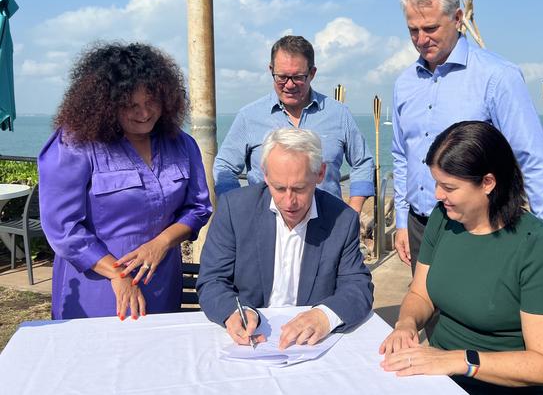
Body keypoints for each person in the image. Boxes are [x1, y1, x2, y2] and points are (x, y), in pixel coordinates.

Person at [380, 121, 543, 394]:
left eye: (449, 187)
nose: (437, 195)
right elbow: (420, 295)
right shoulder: (443, 219)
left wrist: (458, 360)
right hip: (437, 378)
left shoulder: (538, 247)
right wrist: (406, 324)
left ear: (488, 183)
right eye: (436, 183)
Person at [392, 0, 543, 273]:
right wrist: (402, 221)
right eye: (413, 30)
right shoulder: (404, 83)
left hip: (477, 228)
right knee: (425, 312)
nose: (421, 40)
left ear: (458, 17)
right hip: (420, 226)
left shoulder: (498, 76)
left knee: (479, 316)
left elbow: (530, 156)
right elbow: (401, 156)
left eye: (430, 28)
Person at [38, 42, 212, 320]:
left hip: (161, 281)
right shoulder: (75, 145)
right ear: (105, 105)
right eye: (130, 105)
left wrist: (162, 243)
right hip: (97, 284)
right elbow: (63, 227)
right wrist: (117, 274)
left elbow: (198, 208)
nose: (144, 113)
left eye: (151, 102)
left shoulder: (182, 144)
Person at [198, 128, 373, 349]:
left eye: (300, 188)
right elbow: (212, 280)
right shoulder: (235, 209)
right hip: (250, 342)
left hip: (310, 344)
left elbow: (358, 287)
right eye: (279, 188)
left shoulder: (342, 219)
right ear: (265, 174)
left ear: (320, 174)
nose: (289, 202)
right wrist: (235, 312)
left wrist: (324, 316)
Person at [213, 35, 374, 214]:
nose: (289, 85)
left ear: (312, 73)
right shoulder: (249, 117)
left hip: (327, 226)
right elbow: (224, 167)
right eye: (281, 77)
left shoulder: (339, 114)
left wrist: (353, 210)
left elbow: (363, 162)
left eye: (297, 77)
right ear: (271, 70)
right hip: (266, 224)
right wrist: (237, 209)